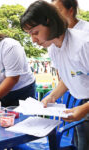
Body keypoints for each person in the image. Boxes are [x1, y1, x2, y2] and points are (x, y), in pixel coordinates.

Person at [20, 1, 89, 149]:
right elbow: (68, 76)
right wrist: (52, 96)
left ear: (49, 23)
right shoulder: (53, 48)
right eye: (30, 34)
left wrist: (84, 109)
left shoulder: (83, 44)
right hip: (81, 102)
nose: (33, 40)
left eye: (35, 33)